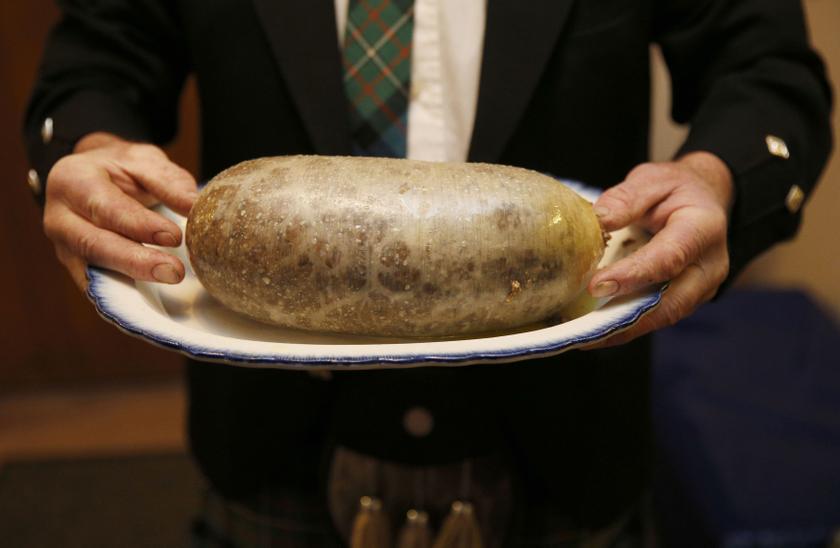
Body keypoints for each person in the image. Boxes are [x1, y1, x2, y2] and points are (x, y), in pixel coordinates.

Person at [24, 0, 832, 546]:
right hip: (271, 444)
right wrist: (92, 148)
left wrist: (717, 172)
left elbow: (764, 66)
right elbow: (96, 60)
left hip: (568, 445)